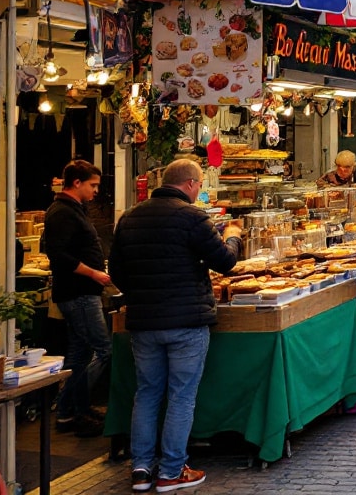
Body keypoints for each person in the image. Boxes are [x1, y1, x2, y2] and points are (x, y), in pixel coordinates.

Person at [111, 159, 243, 493]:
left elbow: (117, 273)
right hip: (186, 321)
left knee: (147, 393)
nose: (200, 191)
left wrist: (142, 293)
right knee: (181, 396)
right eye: (200, 185)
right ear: (189, 184)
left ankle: (141, 470)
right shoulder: (193, 217)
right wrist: (233, 236)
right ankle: (171, 471)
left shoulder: (129, 217)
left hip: (143, 321)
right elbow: (225, 262)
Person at [43, 159, 111, 437]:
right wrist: (93, 273)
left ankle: (70, 413)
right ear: (77, 183)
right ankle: (71, 406)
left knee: (80, 352)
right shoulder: (62, 212)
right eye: (93, 185)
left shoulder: (73, 209)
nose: (96, 191)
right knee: (103, 349)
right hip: (79, 292)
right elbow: (58, 255)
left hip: (82, 291)